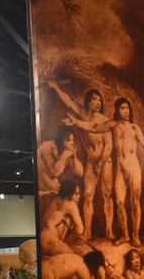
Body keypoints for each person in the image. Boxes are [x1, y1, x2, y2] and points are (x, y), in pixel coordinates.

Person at [67, 97, 144, 246]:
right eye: (123, 108)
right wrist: (76, 122)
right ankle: (125, 235)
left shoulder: (134, 128)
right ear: (117, 110)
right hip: (120, 171)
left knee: (134, 203)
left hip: (133, 168)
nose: (126, 111)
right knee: (120, 204)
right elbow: (94, 128)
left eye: (128, 108)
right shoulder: (113, 125)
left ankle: (135, 236)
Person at [48, 80, 114, 241]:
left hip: (105, 162)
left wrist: (100, 164)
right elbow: (69, 101)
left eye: (100, 100)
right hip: (91, 162)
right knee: (88, 195)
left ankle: (109, 230)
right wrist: (56, 87)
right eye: (94, 99)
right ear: (88, 102)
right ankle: (87, 232)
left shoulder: (104, 121)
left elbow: (109, 146)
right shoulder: (83, 115)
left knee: (107, 195)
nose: (98, 103)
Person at [40, 180, 83, 256]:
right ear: (68, 195)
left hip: (40, 238)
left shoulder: (52, 195)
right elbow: (80, 230)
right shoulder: (71, 205)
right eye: (76, 194)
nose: (79, 196)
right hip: (51, 241)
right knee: (72, 257)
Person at [36, 126, 84, 195]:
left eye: (73, 140)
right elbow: (55, 172)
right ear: (60, 140)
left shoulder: (67, 150)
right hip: (40, 184)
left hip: (52, 183)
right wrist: (64, 157)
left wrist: (74, 157)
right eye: (68, 140)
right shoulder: (47, 147)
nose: (72, 143)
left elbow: (79, 173)